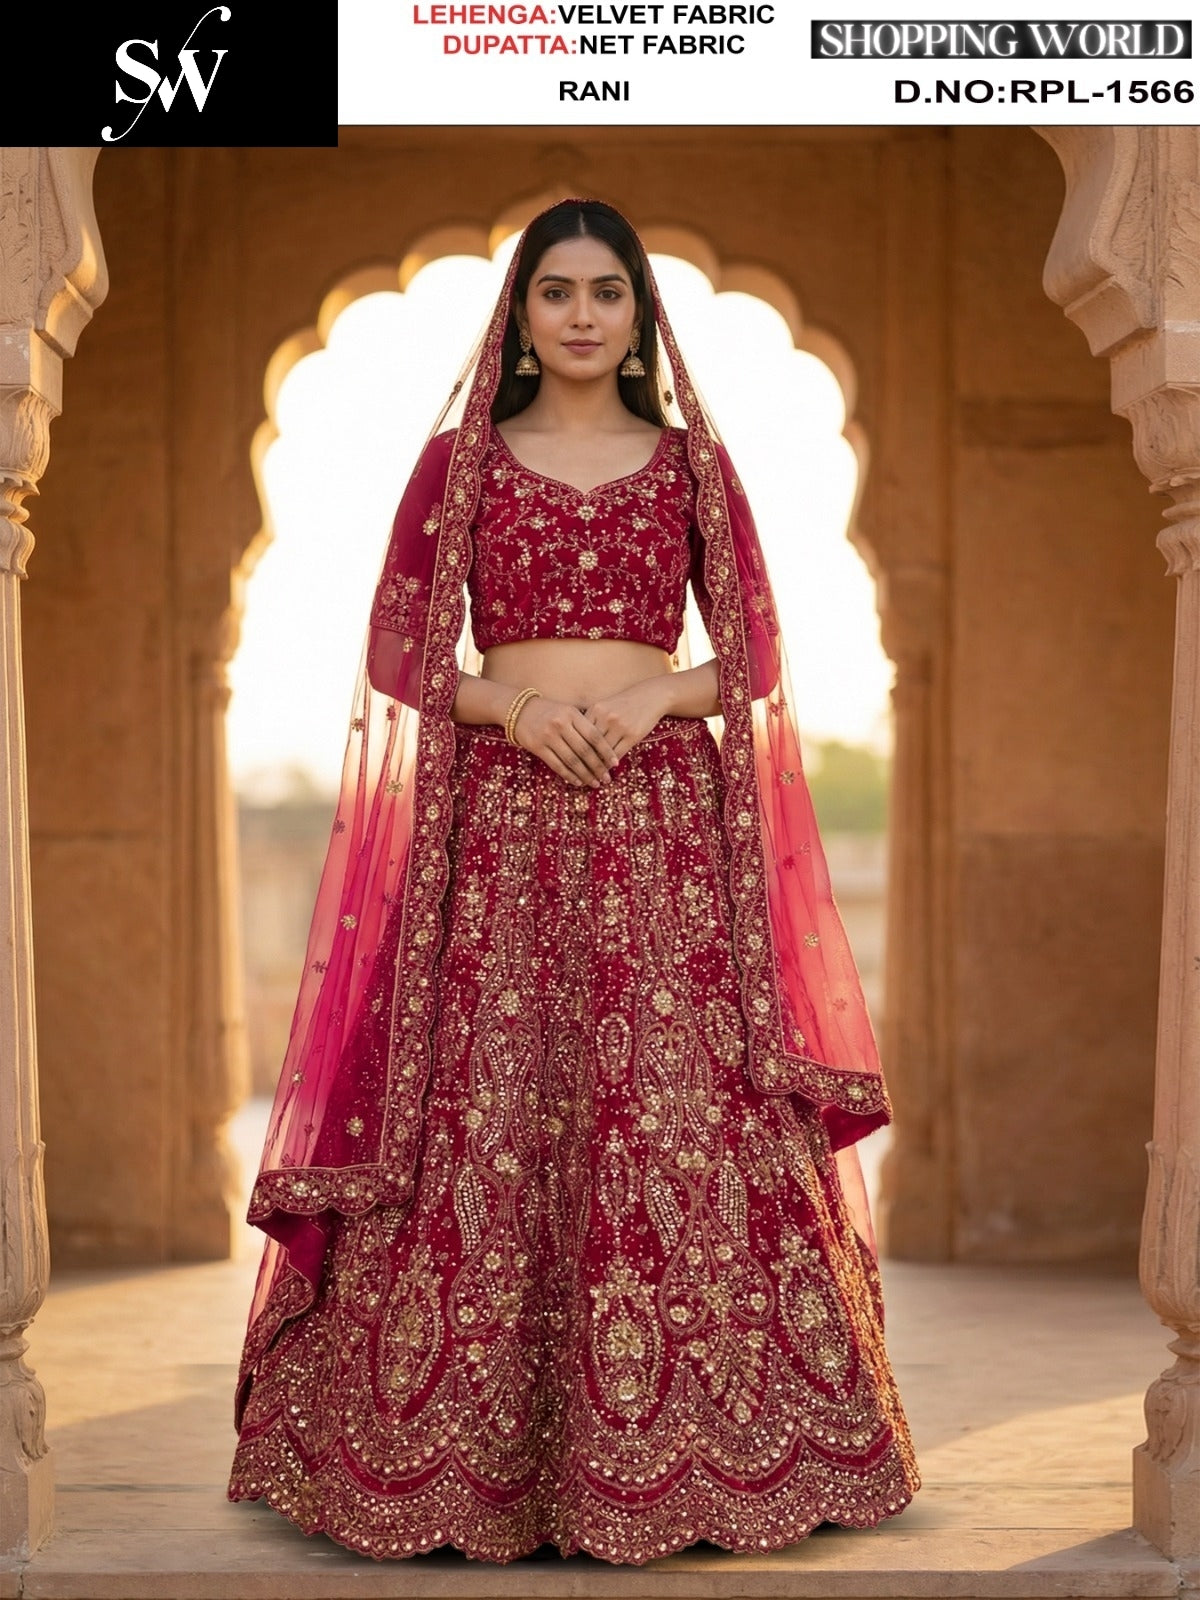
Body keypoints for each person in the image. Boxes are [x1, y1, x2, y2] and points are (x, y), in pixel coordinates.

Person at [228, 198, 920, 1564]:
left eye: (610, 292)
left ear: (641, 314)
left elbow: (757, 649)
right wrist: (515, 710)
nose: (585, 315)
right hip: (500, 825)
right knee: (483, 1098)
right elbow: (397, 647)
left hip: (660, 828)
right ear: (522, 314)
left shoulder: (693, 467)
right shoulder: (462, 464)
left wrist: (658, 693)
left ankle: (709, 1449)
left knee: (671, 1100)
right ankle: (451, 1460)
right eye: (559, 292)